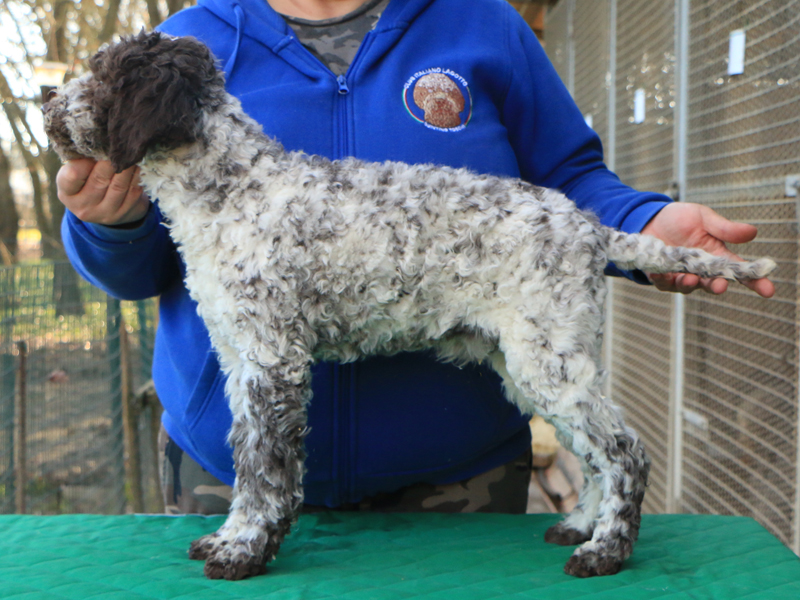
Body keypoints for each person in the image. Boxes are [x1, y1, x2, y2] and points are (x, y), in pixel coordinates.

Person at [57, 0, 774, 516]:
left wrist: (646, 222)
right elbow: (136, 272)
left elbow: (573, 184)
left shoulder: (482, 22)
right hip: (220, 474)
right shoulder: (182, 50)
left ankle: (616, 486)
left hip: (458, 482)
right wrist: (110, 224)